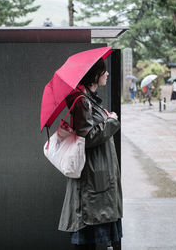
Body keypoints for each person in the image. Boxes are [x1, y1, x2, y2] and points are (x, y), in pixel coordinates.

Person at [60, 58, 122, 250]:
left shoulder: (89, 100)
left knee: (94, 237)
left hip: (99, 176)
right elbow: (86, 137)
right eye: (104, 71)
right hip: (92, 177)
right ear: (94, 75)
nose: (107, 74)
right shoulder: (82, 102)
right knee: (88, 238)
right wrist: (111, 121)